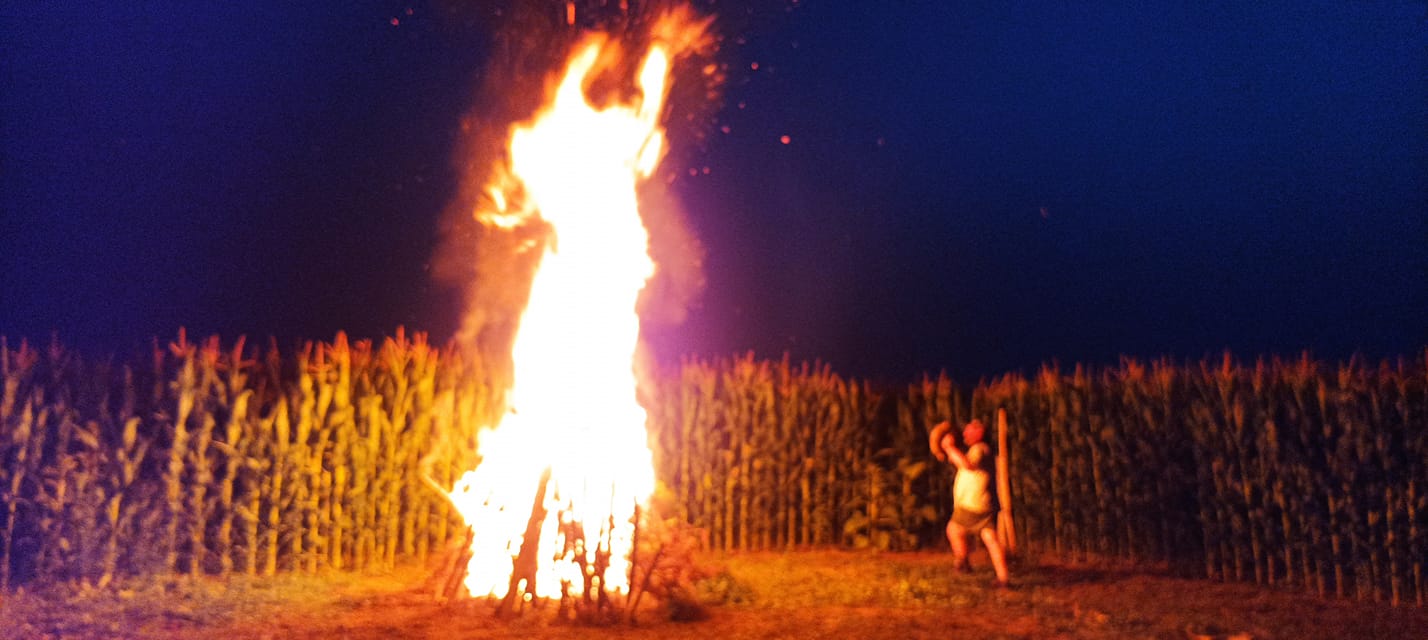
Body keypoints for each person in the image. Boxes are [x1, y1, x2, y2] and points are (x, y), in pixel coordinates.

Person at [932, 418, 1010, 588]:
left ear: (979, 433)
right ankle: (1003, 577)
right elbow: (962, 461)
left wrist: (948, 447)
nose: (965, 433)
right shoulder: (979, 450)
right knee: (990, 538)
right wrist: (945, 451)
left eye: (969, 430)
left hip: (973, 504)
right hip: (983, 503)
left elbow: (967, 465)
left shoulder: (980, 449)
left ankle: (963, 563)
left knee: (954, 529)